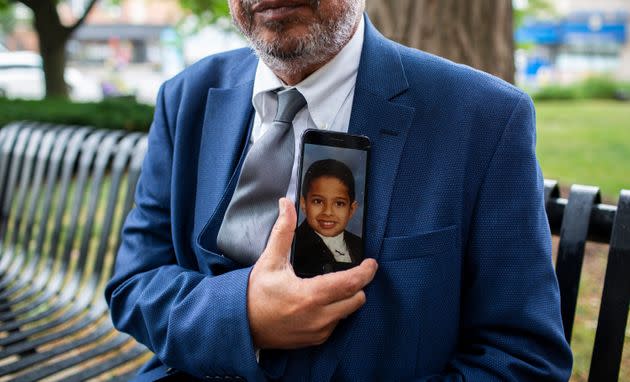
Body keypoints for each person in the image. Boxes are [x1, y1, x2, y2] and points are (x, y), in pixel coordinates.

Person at [105, 0, 573, 380]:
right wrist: (243, 315)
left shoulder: (484, 118)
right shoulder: (185, 96)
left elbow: (523, 358)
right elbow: (135, 284)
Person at [294, 159, 363, 275]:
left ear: (351, 209)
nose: (328, 212)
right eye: (318, 201)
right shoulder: (295, 245)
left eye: (339, 203)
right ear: (303, 204)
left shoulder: (359, 244)